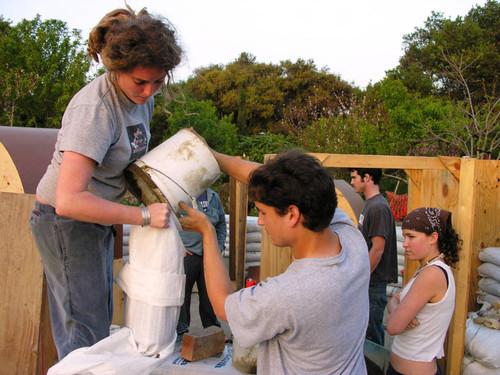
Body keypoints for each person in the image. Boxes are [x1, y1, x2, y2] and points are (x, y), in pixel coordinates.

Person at [29, 6, 182, 360]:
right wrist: (143, 217)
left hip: (95, 220)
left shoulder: (141, 100)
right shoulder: (94, 111)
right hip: (64, 221)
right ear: (116, 69)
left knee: (97, 325)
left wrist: (162, 197)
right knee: (85, 333)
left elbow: (126, 165)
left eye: (158, 81)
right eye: (140, 82)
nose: (148, 92)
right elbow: (68, 199)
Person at [179, 148, 370, 374]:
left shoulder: (287, 294)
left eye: (262, 212)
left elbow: (222, 305)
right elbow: (282, 184)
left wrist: (207, 233)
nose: (260, 221)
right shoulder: (352, 239)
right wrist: (212, 156)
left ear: (292, 214)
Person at [386, 207, 460, 375]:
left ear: (433, 237)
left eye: (411, 237)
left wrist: (398, 314)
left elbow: (393, 326)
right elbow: (395, 298)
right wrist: (398, 309)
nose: (405, 243)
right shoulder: (425, 268)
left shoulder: (432, 274)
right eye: (404, 236)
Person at [350, 168, 398, 346]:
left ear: (367, 177)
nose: (352, 182)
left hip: (373, 285)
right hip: (369, 284)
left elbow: (378, 249)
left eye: (355, 178)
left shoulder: (378, 207)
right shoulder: (370, 204)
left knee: (372, 341)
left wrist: (361, 278)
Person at [176, 188, 227, 336]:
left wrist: (219, 247)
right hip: (188, 255)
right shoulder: (182, 196)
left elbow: (221, 225)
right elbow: (170, 222)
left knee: (210, 295)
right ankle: (181, 331)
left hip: (209, 256)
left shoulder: (214, 197)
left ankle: (212, 329)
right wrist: (178, 248)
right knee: (182, 296)